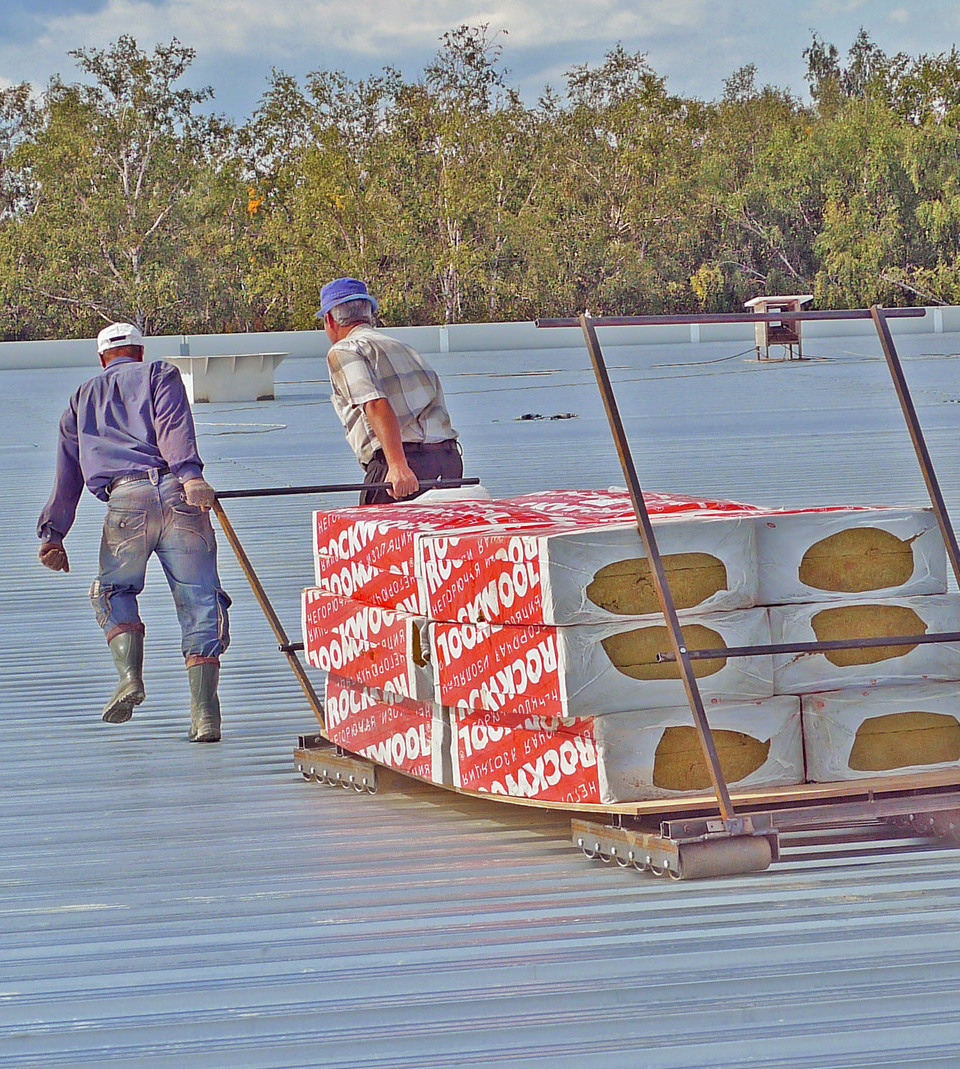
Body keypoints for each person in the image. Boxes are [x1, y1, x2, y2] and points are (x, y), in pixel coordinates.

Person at [36, 322, 231, 743]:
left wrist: (54, 533)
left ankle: (130, 678)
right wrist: (190, 475)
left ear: (101, 358)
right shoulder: (158, 374)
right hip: (178, 496)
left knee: (112, 590)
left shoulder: (80, 399)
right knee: (200, 598)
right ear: (139, 352)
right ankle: (205, 715)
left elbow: (67, 472)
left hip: (124, 502)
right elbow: (173, 424)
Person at [317, 277, 463, 505]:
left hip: (402, 466)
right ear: (368, 315)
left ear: (329, 319)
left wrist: (397, 465)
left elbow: (375, 403)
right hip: (446, 459)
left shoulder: (345, 349)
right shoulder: (405, 348)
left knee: (378, 539)